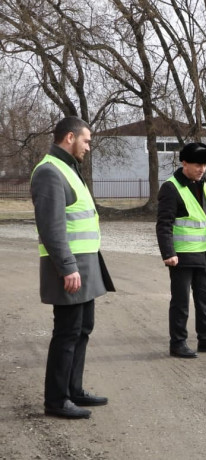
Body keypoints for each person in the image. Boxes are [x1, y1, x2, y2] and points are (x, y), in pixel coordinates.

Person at [31, 116, 115, 419]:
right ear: (69, 137)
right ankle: (56, 400)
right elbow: (51, 228)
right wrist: (67, 267)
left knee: (82, 329)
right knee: (67, 333)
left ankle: (74, 390)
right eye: (86, 140)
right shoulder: (49, 172)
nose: (89, 147)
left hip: (85, 267)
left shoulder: (67, 169)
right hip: (70, 270)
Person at [156, 142, 206, 358]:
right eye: (198, 165)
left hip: (203, 253)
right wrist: (168, 253)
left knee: (205, 299)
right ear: (184, 163)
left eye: (205, 165)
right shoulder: (170, 188)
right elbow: (164, 224)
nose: (202, 169)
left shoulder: (203, 183)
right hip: (181, 257)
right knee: (180, 303)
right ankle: (177, 343)